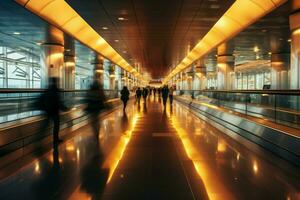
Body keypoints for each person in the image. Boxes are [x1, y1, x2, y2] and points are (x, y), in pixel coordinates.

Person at [40, 77, 65, 145]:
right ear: (56, 82)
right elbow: (58, 101)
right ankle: (55, 139)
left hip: (48, 110)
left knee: (45, 126)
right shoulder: (56, 90)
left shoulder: (48, 89)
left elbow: (43, 98)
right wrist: (64, 108)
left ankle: (39, 140)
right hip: (55, 111)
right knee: (56, 126)